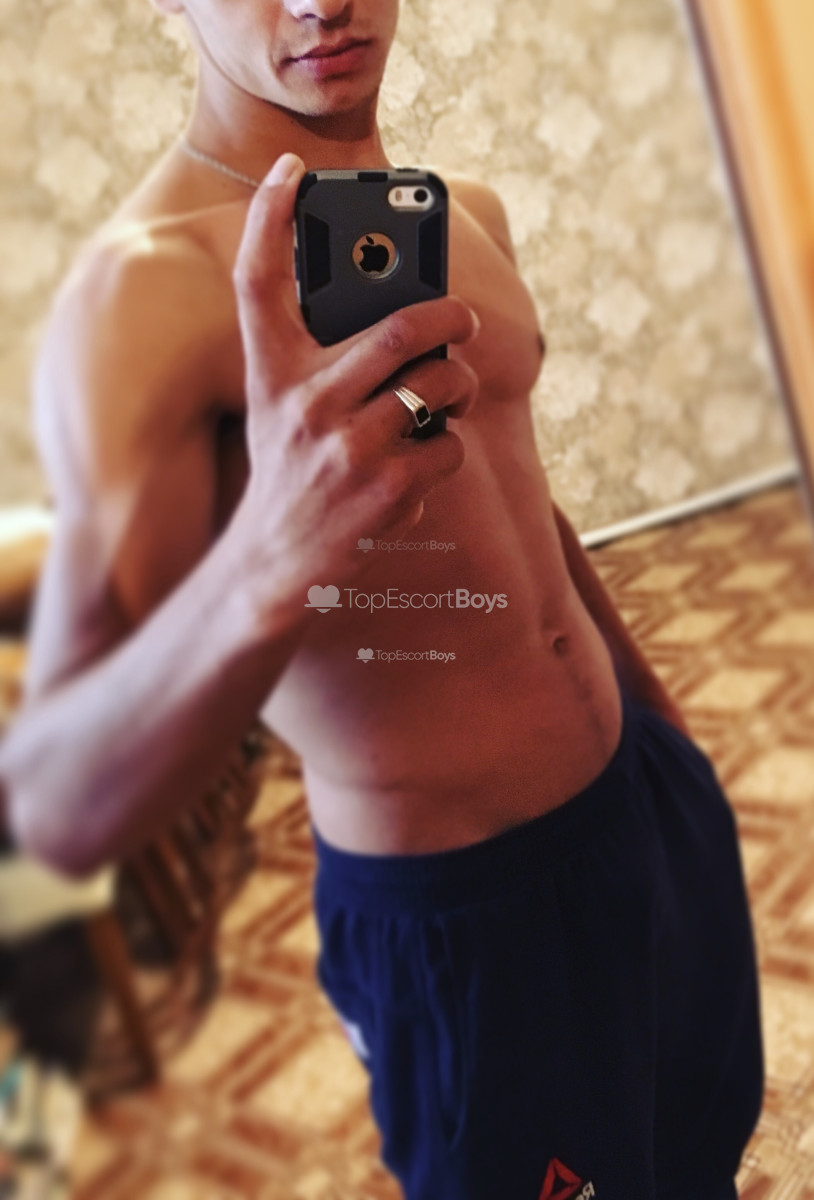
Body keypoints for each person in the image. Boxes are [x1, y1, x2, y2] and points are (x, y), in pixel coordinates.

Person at [0, 1, 763, 1197]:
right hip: (470, 918)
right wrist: (266, 555)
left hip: (642, 812)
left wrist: (673, 756)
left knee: (696, 1155)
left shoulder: (465, 215)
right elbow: (53, 805)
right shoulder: (144, 297)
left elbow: (534, 519)